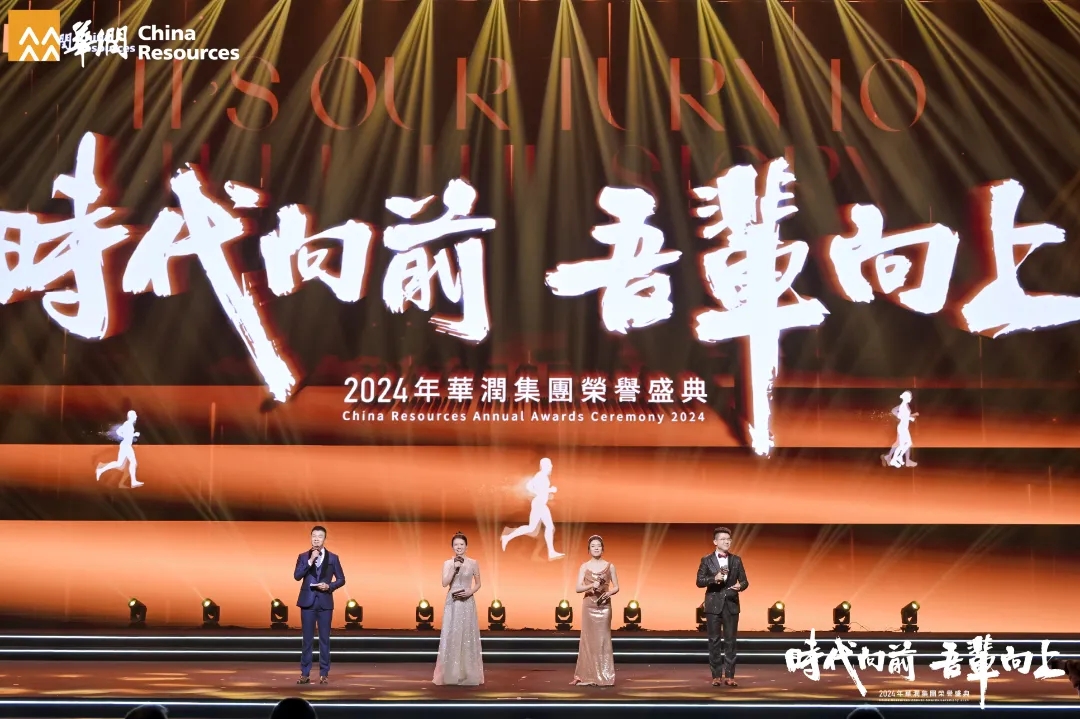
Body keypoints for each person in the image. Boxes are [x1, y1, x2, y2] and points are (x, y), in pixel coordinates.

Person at [695, 526, 749, 687]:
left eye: (728, 539)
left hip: (731, 604)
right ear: (715, 541)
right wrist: (713, 578)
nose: (726, 542)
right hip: (713, 605)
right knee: (714, 641)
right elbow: (699, 581)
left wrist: (740, 586)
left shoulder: (736, 560)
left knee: (731, 641)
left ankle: (730, 676)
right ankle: (716, 676)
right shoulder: (706, 560)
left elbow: (745, 581)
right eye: (723, 539)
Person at [293, 525, 346, 685]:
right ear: (311, 538)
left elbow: (341, 579)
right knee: (307, 640)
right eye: (314, 536)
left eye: (320, 536)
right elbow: (297, 576)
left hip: (325, 602)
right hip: (307, 602)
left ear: (324, 539)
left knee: (324, 639)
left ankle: (324, 673)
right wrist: (310, 560)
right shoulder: (303, 556)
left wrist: (329, 586)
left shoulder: (333, 558)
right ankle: (305, 673)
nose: (316, 539)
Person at [433, 531, 484, 685]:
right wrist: (454, 568)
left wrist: (470, 592)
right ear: (452, 547)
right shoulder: (448, 563)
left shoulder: (473, 563)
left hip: (467, 602)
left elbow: (478, 583)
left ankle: (467, 672)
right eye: (456, 544)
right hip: (453, 603)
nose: (459, 547)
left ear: (466, 546)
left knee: (467, 635)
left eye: (461, 544)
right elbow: (444, 583)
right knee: (452, 634)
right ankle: (451, 673)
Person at [571, 534, 619, 686]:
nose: (596, 548)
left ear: (602, 548)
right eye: (593, 546)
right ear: (589, 549)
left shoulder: (610, 566)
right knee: (588, 639)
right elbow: (578, 588)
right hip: (589, 605)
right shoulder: (584, 567)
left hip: (604, 606)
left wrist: (609, 593)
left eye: (598, 545)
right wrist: (592, 585)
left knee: (603, 639)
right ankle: (585, 675)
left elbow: (616, 587)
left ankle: (604, 675)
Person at [501, 457, 564, 559]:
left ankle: (507, 537)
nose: (551, 466)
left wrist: (542, 493)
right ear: (544, 466)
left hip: (540, 503)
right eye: (549, 465)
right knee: (541, 527)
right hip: (539, 504)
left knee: (537, 527)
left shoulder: (541, 476)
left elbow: (529, 486)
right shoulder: (541, 476)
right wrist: (550, 490)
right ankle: (507, 537)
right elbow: (532, 487)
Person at [97, 410, 142, 488]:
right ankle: (133, 481)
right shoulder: (128, 424)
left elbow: (122, 432)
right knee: (129, 463)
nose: (136, 416)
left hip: (126, 445)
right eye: (135, 415)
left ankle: (101, 470)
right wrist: (127, 437)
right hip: (126, 446)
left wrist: (133, 435)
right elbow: (118, 431)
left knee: (122, 463)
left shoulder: (129, 424)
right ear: (131, 416)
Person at [881, 391, 918, 468]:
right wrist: (910, 418)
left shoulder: (906, 405)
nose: (911, 398)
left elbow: (904, 415)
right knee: (903, 444)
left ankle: (895, 458)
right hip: (902, 427)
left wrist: (911, 416)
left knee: (903, 444)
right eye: (910, 397)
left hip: (904, 427)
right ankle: (894, 458)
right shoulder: (902, 406)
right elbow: (895, 412)